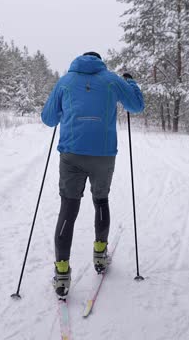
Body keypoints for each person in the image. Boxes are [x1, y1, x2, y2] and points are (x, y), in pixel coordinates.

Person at [41, 51, 144, 298]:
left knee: (68, 209)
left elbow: (48, 119)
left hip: (71, 154)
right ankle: (100, 255)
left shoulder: (65, 81)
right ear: (100, 62)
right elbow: (136, 106)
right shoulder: (111, 79)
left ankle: (62, 273)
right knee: (101, 201)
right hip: (103, 155)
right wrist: (130, 82)